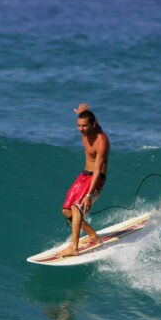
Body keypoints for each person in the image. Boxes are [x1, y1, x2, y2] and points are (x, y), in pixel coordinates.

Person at [56, 103, 110, 257]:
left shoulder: (101, 141)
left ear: (92, 125)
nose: (81, 129)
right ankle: (93, 236)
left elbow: (98, 170)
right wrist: (83, 112)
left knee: (76, 207)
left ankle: (74, 247)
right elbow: (91, 119)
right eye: (79, 126)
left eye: (84, 126)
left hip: (96, 178)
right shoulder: (86, 131)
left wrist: (89, 195)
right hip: (84, 175)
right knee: (66, 211)